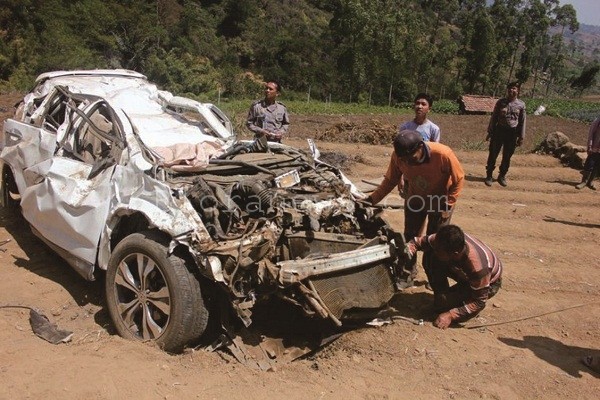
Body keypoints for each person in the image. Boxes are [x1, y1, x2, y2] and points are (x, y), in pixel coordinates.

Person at [366, 130, 465, 289]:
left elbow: (458, 179)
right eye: (404, 160)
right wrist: (371, 199)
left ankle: (435, 277)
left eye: (411, 158)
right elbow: (390, 180)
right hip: (415, 198)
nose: (408, 163)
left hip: (440, 201)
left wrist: (448, 204)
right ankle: (408, 273)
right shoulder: (399, 157)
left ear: (420, 147)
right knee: (410, 237)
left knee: (436, 241)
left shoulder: (443, 154)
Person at [404, 224, 503, 329]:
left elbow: (479, 301)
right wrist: (407, 252)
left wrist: (451, 315)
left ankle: (452, 306)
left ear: (455, 253)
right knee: (430, 257)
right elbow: (415, 242)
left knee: (446, 310)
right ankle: (442, 298)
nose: (435, 251)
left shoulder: (478, 268)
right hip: (462, 271)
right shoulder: (441, 240)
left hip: (487, 283)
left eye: (439, 251)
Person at [485, 81, 526, 187]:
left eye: (514, 89)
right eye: (510, 88)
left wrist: (521, 137)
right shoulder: (500, 102)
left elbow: (522, 121)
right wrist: (490, 132)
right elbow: (494, 117)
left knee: (507, 156)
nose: (512, 90)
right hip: (499, 131)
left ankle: (502, 176)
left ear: (518, 91)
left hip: (512, 133)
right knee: (493, 153)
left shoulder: (521, 105)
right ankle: (489, 175)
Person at [575, 117, 599, 190]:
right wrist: (590, 145)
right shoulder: (597, 121)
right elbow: (591, 134)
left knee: (597, 166)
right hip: (594, 147)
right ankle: (584, 181)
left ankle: (590, 182)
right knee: (590, 164)